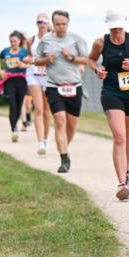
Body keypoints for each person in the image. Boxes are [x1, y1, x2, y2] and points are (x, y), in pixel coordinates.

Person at [87, 10, 129, 200]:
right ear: (107, 25)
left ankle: (126, 171)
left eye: (119, 26)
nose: (117, 30)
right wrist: (97, 69)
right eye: (113, 27)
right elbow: (91, 60)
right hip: (111, 94)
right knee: (119, 136)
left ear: (124, 23)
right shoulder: (100, 43)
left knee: (128, 138)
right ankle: (122, 183)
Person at [36, 10, 88, 173]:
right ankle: (64, 158)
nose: (60, 27)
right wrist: (46, 60)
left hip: (74, 85)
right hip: (54, 86)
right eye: (57, 24)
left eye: (63, 24)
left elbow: (87, 59)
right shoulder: (46, 40)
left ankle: (64, 145)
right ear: (53, 24)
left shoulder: (76, 39)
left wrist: (72, 58)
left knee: (71, 125)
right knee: (59, 120)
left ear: (68, 23)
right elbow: (36, 60)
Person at [0, 31, 31, 142]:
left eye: (15, 41)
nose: (13, 43)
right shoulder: (5, 51)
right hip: (9, 80)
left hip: (21, 80)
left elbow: (31, 64)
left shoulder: (24, 52)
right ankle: (14, 130)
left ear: (19, 41)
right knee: (12, 104)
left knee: (19, 104)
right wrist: (0, 71)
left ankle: (15, 124)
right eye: (11, 41)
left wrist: (24, 65)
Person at [26, 14, 52, 155]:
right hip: (33, 75)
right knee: (38, 109)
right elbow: (30, 56)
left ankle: (47, 138)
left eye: (44, 21)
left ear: (48, 23)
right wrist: (28, 59)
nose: (42, 23)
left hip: (48, 76)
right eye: (39, 21)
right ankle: (40, 142)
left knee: (47, 111)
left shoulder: (53, 39)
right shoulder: (31, 40)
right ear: (36, 23)